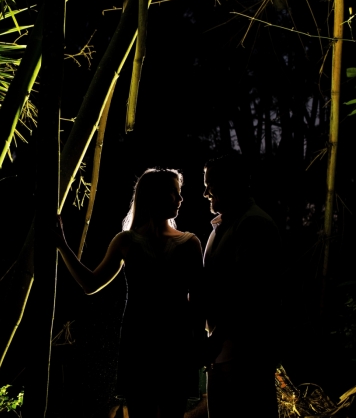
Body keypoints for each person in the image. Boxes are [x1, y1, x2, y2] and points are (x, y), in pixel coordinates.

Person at [55, 168, 205, 418]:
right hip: (142, 344)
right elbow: (90, 284)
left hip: (173, 344)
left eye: (179, 194)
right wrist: (62, 245)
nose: (180, 200)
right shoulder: (127, 241)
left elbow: (200, 301)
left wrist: (199, 346)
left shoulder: (189, 243)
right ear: (154, 196)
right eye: (173, 193)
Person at [201, 154, 281, 418]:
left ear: (230, 184)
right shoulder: (222, 227)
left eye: (210, 185)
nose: (205, 193)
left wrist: (217, 338)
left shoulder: (253, 224)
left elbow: (249, 291)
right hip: (223, 352)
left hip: (246, 355)